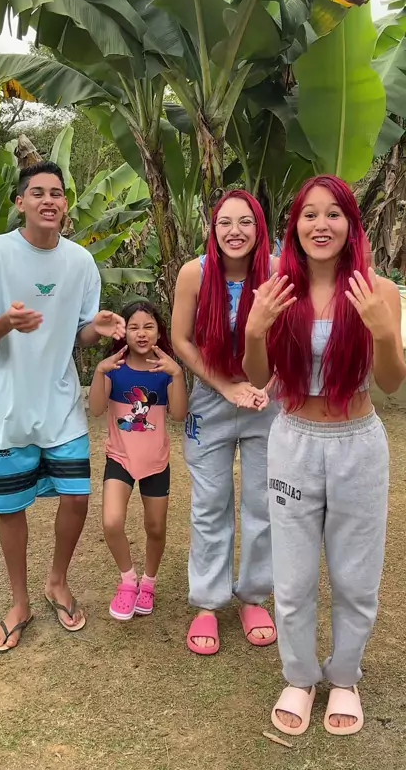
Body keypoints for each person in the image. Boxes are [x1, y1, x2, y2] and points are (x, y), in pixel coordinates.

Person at [243, 175, 406, 736]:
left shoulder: (379, 291)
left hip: (358, 443)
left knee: (356, 577)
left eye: (333, 213)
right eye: (309, 215)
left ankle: (344, 677)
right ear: (294, 227)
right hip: (293, 441)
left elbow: (390, 382)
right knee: (292, 578)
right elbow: (257, 377)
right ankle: (299, 676)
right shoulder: (278, 290)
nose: (321, 224)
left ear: (351, 225)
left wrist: (384, 333)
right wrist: (256, 331)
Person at [0, 161, 126, 653]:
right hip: (7, 409)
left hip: (60, 403)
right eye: (37, 192)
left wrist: (97, 329)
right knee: (11, 507)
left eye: (57, 193)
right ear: (21, 202)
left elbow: (80, 333)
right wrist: (7, 323)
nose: (48, 200)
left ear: (65, 204)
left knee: (76, 497)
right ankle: (19, 602)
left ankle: (57, 581)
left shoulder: (80, 262)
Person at [171, 189, 279, 655]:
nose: (235, 232)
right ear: (213, 230)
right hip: (211, 400)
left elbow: (291, 340)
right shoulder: (194, 273)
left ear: (259, 227)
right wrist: (225, 386)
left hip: (266, 400)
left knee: (263, 503)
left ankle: (254, 595)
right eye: (224, 223)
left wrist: (267, 386)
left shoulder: (278, 272)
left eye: (245, 222)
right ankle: (208, 601)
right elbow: (181, 340)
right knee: (210, 503)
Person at [89, 301, 188, 620]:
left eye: (148, 327)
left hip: (156, 462)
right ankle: (128, 581)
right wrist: (100, 371)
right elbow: (96, 409)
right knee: (111, 522)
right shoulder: (114, 369)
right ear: (123, 332)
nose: (141, 333)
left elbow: (179, 414)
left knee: (155, 528)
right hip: (119, 458)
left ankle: (149, 583)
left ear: (159, 332)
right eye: (133, 327)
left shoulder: (165, 371)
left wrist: (177, 374)